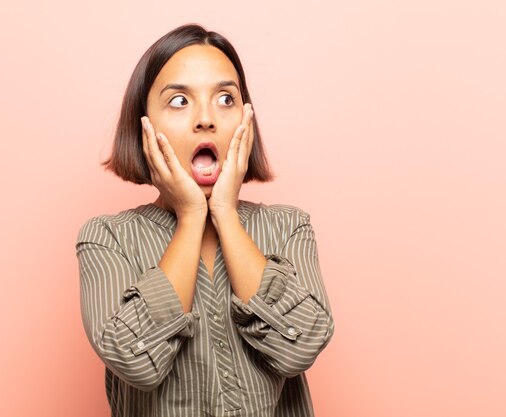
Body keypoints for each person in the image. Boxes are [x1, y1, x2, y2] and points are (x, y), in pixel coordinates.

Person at [75, 23, 334, 417]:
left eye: (226, 99)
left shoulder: (287, 227)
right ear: (143, 125)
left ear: (247, 120)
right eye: (179, 101)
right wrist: (192, 214)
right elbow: (134, 360)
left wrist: (226, 213)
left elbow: (301, 347)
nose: (206, 119)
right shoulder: (107, 238)